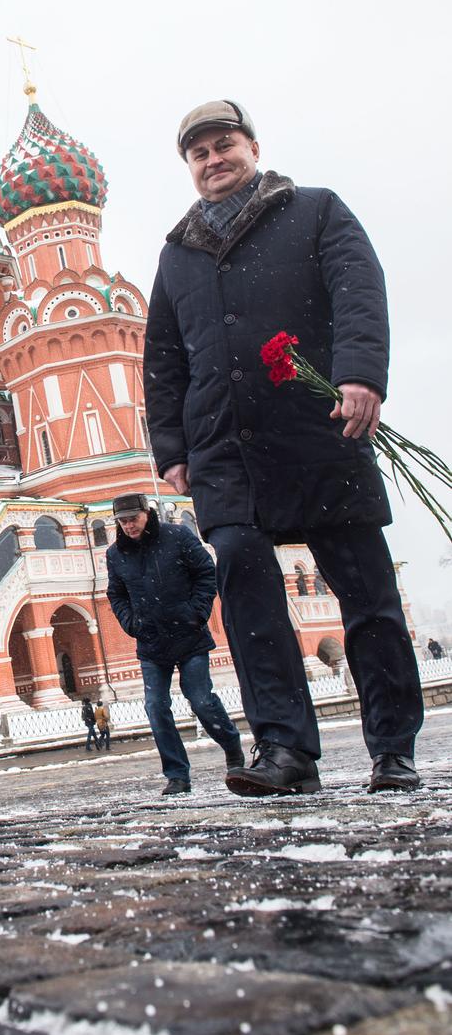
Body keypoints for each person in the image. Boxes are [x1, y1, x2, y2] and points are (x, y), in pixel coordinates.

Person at [143, 99, 423, 797]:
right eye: (198, 152)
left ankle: (391, 747)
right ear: (189, 166)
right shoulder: (176, 254)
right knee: (243, 584)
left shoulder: (314, 211)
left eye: (223, 144)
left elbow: (358, 293)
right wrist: (171, 446)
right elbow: (163, 355)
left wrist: (359, 376)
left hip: (317, 429)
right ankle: (284, 749)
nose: (213, 160)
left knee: (363, 589)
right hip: (223, 450)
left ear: (252, 146)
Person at [106, 493, 243, 793]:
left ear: (147, 513)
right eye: (123, 521)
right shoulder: (116, 554)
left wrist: (196, 612)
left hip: (188, 635)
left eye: (134, 519)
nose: (129, 526)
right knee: (156, 707)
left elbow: (206, 572)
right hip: (151, 642)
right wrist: (131, 623)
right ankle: (177, 774)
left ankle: (232, 747)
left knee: (201, 700)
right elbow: (115, 594)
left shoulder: (177, 536)